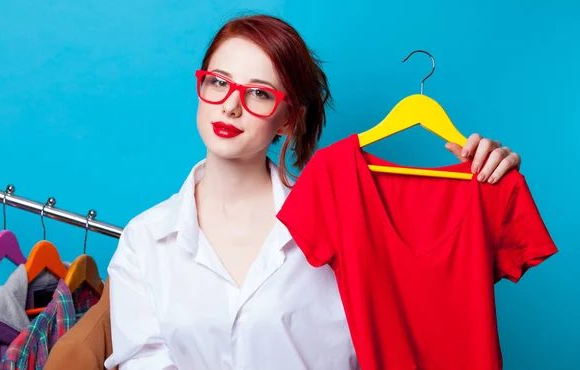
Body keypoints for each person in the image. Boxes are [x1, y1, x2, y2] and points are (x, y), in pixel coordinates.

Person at [104, 14, 522, 370]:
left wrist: (486, 185)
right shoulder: (144, 242)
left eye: (260, 93)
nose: (231, 106)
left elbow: (440, 310)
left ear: (289, 120)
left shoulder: (349, 221)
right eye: (218, 82)